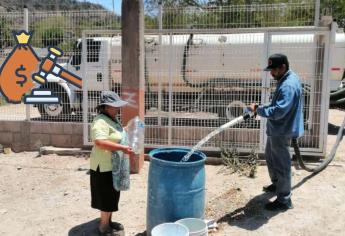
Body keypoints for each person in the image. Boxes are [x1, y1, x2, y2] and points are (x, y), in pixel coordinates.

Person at [250, 53, 304, 211]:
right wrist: (261, 107)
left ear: (283, 67)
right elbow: (279, 104)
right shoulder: (288, 77)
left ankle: (284, 200)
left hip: (282, 130)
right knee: (271, 157)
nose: (272, 73)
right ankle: (277, 184)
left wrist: (259, 110)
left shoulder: (288, 85)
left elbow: (279, 111)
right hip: (278, 129)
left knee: (281, 164)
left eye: (274, 70)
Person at [90, 91, 135, 235]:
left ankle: (109, 222)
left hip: (113, 165)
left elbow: (116, 134)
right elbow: (99, 142)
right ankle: (103, 227)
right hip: (103, 167)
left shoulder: (111, 119)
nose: (118, 109)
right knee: (106, 197)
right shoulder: (100, 121)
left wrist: (128, 129)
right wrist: (122, 148)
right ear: (106, 107)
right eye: (115, 106)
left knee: (113, 196)